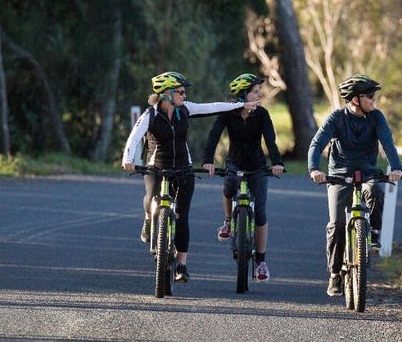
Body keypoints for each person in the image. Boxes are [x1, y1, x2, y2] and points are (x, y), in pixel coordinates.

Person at [122, 71, 257, 283]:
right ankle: (149, 220)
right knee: (150, 197)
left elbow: (212, 107)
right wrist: (128, 159)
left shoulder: (186, 109)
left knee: (182, 216)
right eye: (181, 92)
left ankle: (182, 264)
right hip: (156, 166)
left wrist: (239, 106)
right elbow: (133, 138)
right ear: (167, 93)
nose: (185, 96)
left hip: (183, 168)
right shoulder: (150, 115)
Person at [307, 73, 402, 297]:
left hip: (368, 171)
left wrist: (396, 167)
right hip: (338, 175)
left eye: (374, 96)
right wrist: (314, 169)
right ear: (354, 99)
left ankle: (375, 234)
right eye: (369, 96)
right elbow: (316, 144)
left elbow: (388, 143)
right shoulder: (337, 118)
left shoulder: (377, 117)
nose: (374, 100)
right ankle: (335, 274)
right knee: (337, 224)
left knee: (375, 190)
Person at [202, 73, 285, 282]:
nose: (259, 95)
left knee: (261, 212)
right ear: (242, 95)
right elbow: (214, 135)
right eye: (255, 92)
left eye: (259, 91)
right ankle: (229, 221)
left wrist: (277, 163)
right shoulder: (228, 112)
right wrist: (208, 160)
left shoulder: (263, 114)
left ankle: (261, 261)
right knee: (229, 187)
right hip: (234, 162)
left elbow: (270, 140)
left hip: (257, 165)